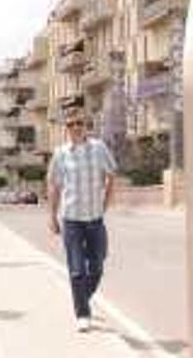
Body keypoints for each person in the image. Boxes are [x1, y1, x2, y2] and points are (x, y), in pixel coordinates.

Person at [46, 112, 117, 333]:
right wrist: (52, 216)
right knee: (77, 269)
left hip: (95, 219)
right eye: (71, 124)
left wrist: (106, 204)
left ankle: (82, 298)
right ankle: (83, 313)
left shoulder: (99, 148)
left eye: (80, 123)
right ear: (66, 128)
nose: (76, 127)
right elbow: (54, 187)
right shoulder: (60, 154)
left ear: (86, 125)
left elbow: (111, 176)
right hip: (72, 221)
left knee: (97, 265)